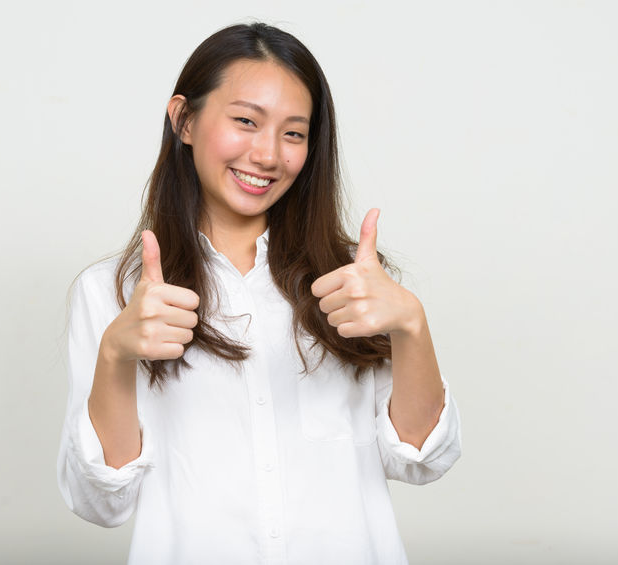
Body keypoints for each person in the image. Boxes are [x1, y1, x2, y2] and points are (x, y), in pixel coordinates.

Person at [57, 22, 461, 565]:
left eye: (293, 133)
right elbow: (100, 502)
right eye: (246, 121)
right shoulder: (112, 291)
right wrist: (114, 353)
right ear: (184, 120)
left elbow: (420, 460)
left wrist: (412, 326)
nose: (268, 154)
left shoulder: (354, 283)